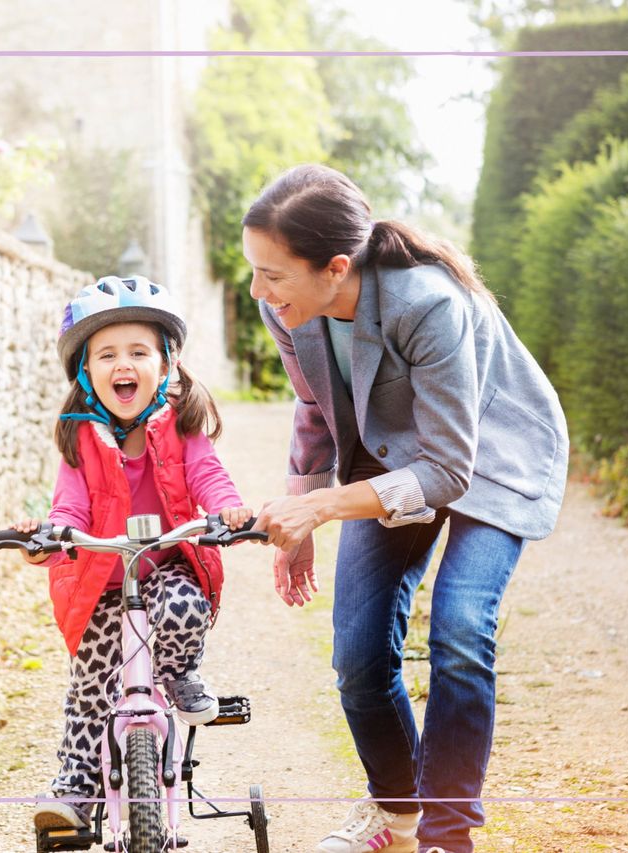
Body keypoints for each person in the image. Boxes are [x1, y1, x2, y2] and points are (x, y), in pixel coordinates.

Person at [244, 165, 568, 853]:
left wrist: (327, 506)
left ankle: (447, 837)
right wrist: (300, 515)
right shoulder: (290, 309)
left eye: (272, 273)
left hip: (490, 459)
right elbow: (314, 409)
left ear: (335, 267)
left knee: (458, 627)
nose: (258, 290)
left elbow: (450, 467)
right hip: (389, 459)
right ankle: (397, 811)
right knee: (358, 657)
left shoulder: (427, 302)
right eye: (255, 271)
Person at [10, 275, 252, 836]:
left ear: (165, 366)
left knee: (185, 607)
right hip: (101, 579)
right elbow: (69, 508)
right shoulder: (80, 441)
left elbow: (207, 475)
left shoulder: (183, 427)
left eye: (139, 352)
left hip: (167, 564)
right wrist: (48, 539)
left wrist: (229, 510)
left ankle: (180, 674)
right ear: (88, 373)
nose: (125, 364)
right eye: (108, 354)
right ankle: (76, 788)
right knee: (90, 688)